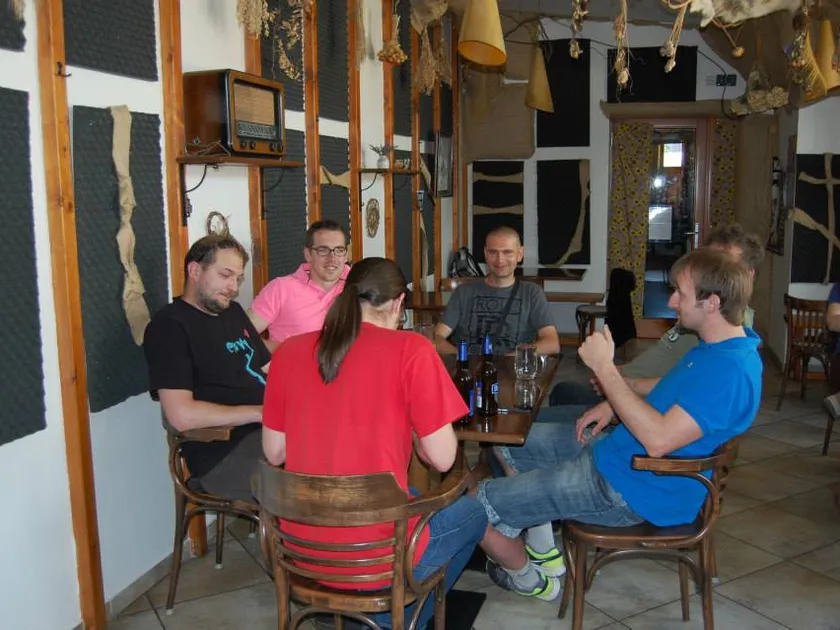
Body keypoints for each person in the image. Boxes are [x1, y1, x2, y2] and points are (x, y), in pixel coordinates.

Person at [474, 248, 762, 600]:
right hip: (616, 456)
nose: (671, 301)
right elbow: (676, 391)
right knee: (506, 438)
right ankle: (537, 540)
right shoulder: (718, 348)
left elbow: (658, 440)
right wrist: (613, 403)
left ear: (712, 303)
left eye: (680, 293)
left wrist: (605, 369)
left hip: (628, 490)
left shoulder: (730, 372)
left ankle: (528, 578)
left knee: (475, 504)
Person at [261, 257, 489, 629]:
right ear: (399, 303)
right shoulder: (412, 349)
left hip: (300, 550)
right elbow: (444, 459)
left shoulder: (288, 351)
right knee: (474, 513)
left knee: (409, 492)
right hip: (377, 558)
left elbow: (274, 452)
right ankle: (392, 619)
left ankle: (357, 615)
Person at [548, 223, 765, 409]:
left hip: (641, 401)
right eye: (708, 263)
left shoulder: (722, 328)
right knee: (562, 393)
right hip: (628, 386)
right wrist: (616, 372)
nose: (672, 302)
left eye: (722, 265)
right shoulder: (699, 317)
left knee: (562, 394)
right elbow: (671, 366)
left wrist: (617, 381)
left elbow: (685, 389)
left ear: (748, 275)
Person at [143, 235, 270, 501]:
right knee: (313, 474)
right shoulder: (170, 327)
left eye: (238, 278)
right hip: (224, 453)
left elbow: (267, 368)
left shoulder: (233, 312)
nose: (233, 287)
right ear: (195, 270)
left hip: (268, 432)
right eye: (225, 275)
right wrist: (261, 413)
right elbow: (182, 416)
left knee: (344, 444)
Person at [434, 226, 560, 356]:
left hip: (513, 367)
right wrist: (461, 357)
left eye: (507, 252)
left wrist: (509, 359)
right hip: (468, 366)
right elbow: (436, 337)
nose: (500, 260)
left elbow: (552, 343)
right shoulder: (463, 292)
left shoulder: (532, 293)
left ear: (520, 254)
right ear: (485, 254)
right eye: (493, 252)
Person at [248, 220, 350, 351]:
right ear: (308, 254)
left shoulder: (358, 286)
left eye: (339, 250)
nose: (332, 258)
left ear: (346, 255)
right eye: (323, 250)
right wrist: (286, 349)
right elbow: (240, 335)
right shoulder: (280, 289)